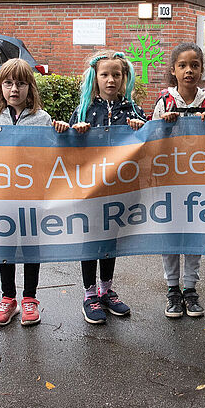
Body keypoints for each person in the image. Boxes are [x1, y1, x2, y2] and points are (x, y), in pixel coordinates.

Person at [54, 51, 146, 324]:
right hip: (90, 190)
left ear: (124, 78)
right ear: (95, 77)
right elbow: (66, 147)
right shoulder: (84, 110)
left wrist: (139, 129)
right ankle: (89, 294)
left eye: (116, 75)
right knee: (90, 240)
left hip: (118, 189)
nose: (110, 80)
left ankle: (107, 290)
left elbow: (146, 144)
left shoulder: (132, 109)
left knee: (110, 240)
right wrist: (72, 131)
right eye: (105, 74)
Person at [0, 59, 52, 327]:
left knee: (30, 248)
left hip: (31, 195)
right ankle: (8, 298)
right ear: (0, 87)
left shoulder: (43, 119)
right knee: (5, 246)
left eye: (21, 83)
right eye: (8, 83)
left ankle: (29, 298)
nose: (14, 89)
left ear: (31, 87)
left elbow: (51, 154)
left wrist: (58, 131)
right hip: (1, 196)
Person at [151, 42, 205, 319]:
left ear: (201, 69)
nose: (189, 71)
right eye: (182, 66)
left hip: (198, 179)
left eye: (194, 65)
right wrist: (162, 125)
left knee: (193, 234)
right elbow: (151, 141)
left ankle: (190, 289)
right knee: (170, 234)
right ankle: (172, 289)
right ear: (173, 70)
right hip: (169, 178)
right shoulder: (164, 101)